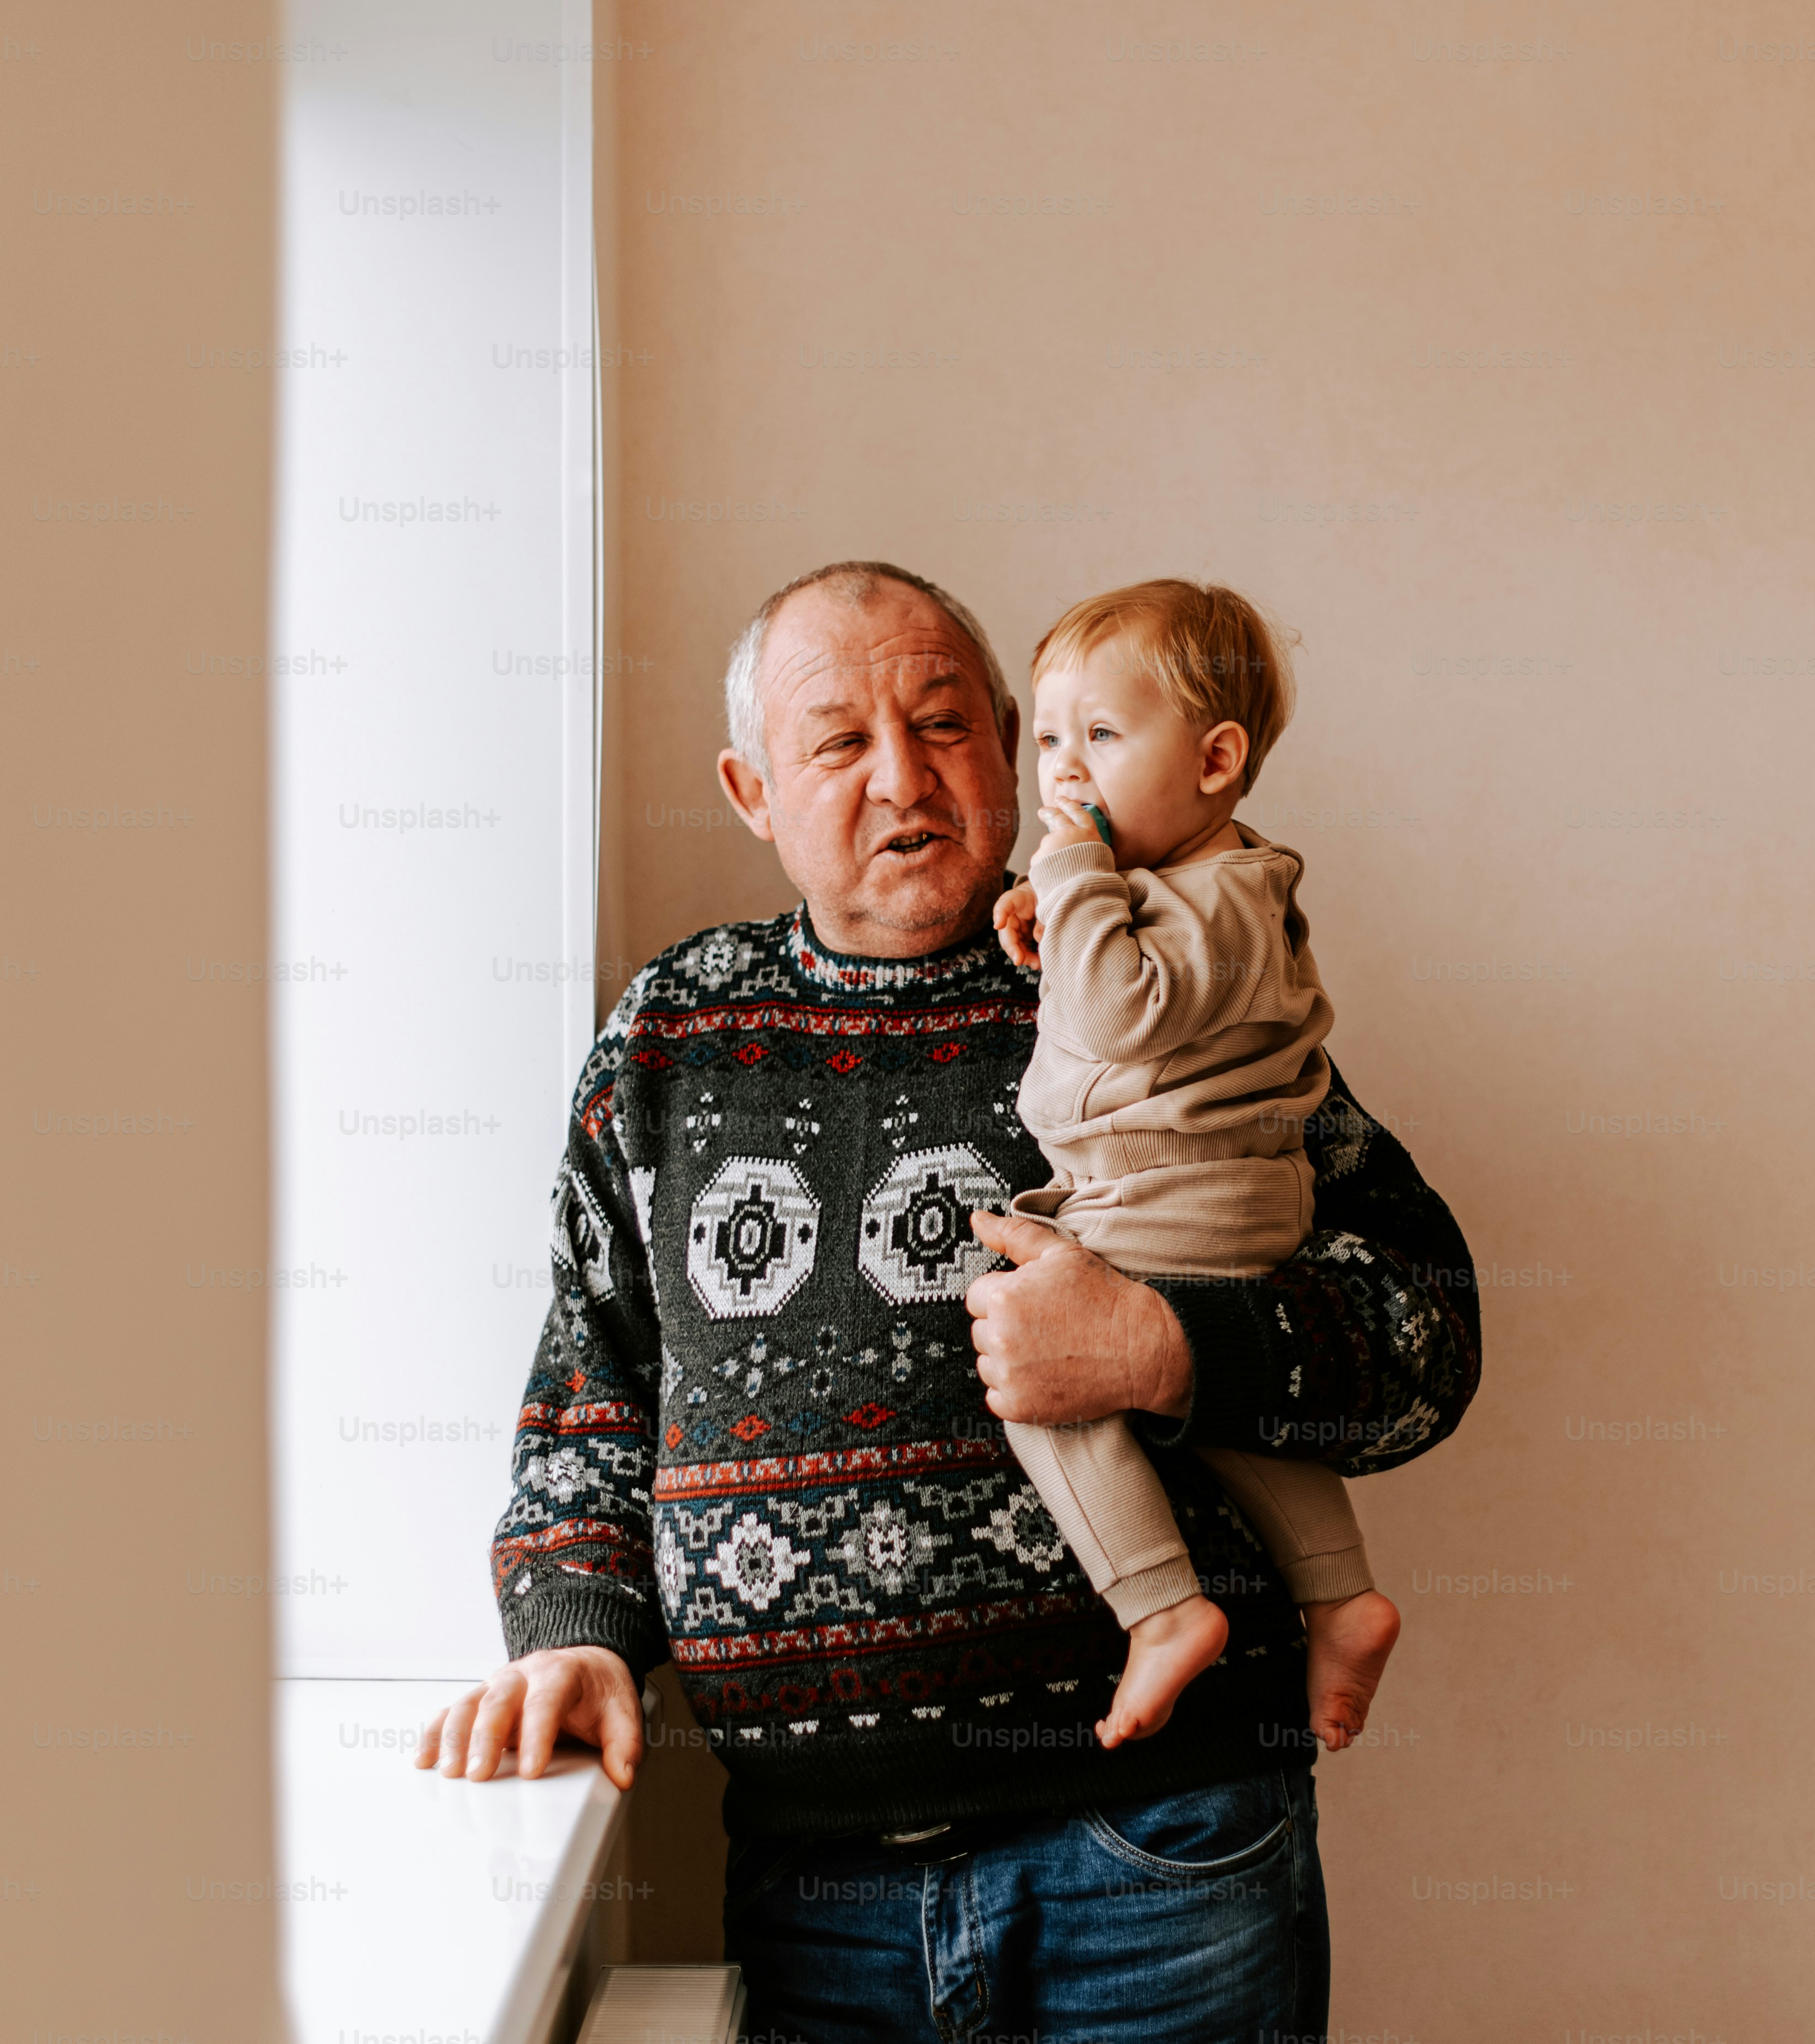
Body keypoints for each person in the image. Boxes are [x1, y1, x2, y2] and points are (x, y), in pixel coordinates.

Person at [415, 561, 1478, 2043]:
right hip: (813, 1889)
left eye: (944, 726)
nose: (904, 780)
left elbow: (1427, 1325)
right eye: (838, 744)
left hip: (1157, 1855)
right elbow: (590, 1386)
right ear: (750, 790)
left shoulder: (1159, 980)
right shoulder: (667, 1035)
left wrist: (1166, 1348)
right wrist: (574, 1627)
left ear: (1010, 742)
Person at [987, 579, 1400, 1753]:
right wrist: (1057, 903)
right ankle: (1341, 1592)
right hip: (1197, 1196)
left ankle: (1161, 1608)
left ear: (1217, 760)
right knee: (1217, 1414)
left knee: (1044, 1372)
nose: (1064, 773)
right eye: (1052, 738)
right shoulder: (1190, 887)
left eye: (1103, 738)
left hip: (1174, 1199)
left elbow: (1122, 1017)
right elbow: (1123, 983)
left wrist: (1069, 877)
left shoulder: (1229, 899)